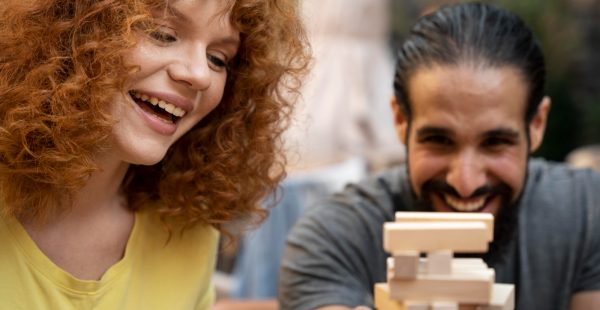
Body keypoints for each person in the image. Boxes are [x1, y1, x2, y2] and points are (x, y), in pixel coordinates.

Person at [278, 3, 600, 310]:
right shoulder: (333, 239)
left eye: (495, 143)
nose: (465, 183)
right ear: (401, 122)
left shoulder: (588, 212)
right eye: (439, 141)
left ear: (537, 125)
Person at [0, 0, 308, 309]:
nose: (200, 74)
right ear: (69, 29)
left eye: (217, 59)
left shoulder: (186, 229)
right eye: (162, 34)